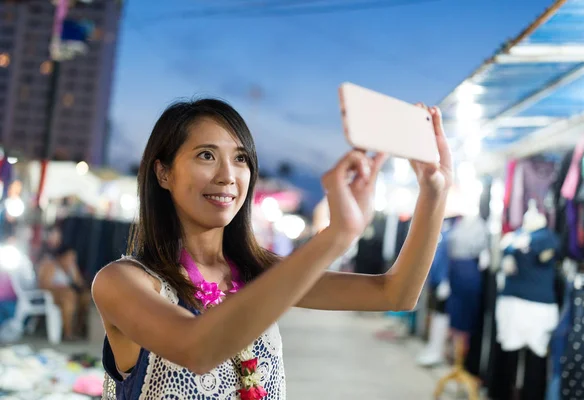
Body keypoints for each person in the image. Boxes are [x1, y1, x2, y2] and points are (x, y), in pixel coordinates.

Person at [92, 98, 452, 399]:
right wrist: (335, 238)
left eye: (241, 158)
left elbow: (395, 294)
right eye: (206, 155)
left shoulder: (259, 274)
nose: (228, 176)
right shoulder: (122, 283)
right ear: (163, 173)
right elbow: (196, 348)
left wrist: (435, 193)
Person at [38, 244, 91, 340]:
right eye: (69, 257)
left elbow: (80, 284)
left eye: (73, 258)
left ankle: (78, 330)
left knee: (86, 297)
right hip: (53, 296)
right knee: (69, 297)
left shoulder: (72, 267)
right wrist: (61, 289)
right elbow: (43, 285)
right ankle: (68, 333)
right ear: (61, 257)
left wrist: (74, 272)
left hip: (71, 294)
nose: (71, 260)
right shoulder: (51, 266)